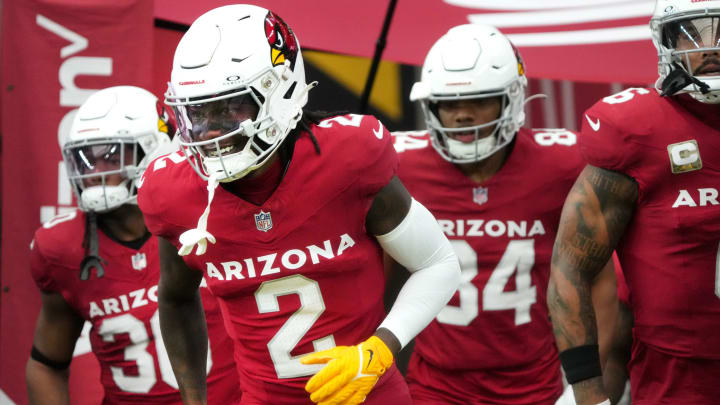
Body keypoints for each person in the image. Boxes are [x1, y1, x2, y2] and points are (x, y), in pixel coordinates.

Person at [136, 4, 461, 405]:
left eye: (231, 107)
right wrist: (194, 400)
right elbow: (175, 296)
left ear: (282, 89)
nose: (212, 132)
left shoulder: (347, 159)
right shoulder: (175, 192)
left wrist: (379, 349)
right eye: (198, 113)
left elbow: (438, 263)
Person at [393, 24, 616, 405]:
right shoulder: (400, 165)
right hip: (436, 386)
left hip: (535, 385)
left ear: (511, 98)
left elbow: (601, 283)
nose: (462, 115)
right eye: (448, 103)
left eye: (479, 99)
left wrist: (584, 384)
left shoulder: (561, 163)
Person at [547, 0, 720, 403]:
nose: (712, 47)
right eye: (694, 33)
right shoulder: (637, 130)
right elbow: (571, 266)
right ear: (667, 42)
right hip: (681, 375)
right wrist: (589, 394)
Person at [26, 86, 241, 404]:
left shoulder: (207, 213)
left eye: (111, 155)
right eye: (85, 160)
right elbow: (47, 364)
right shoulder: (62, 248)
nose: (94, 172)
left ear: (154, 149)